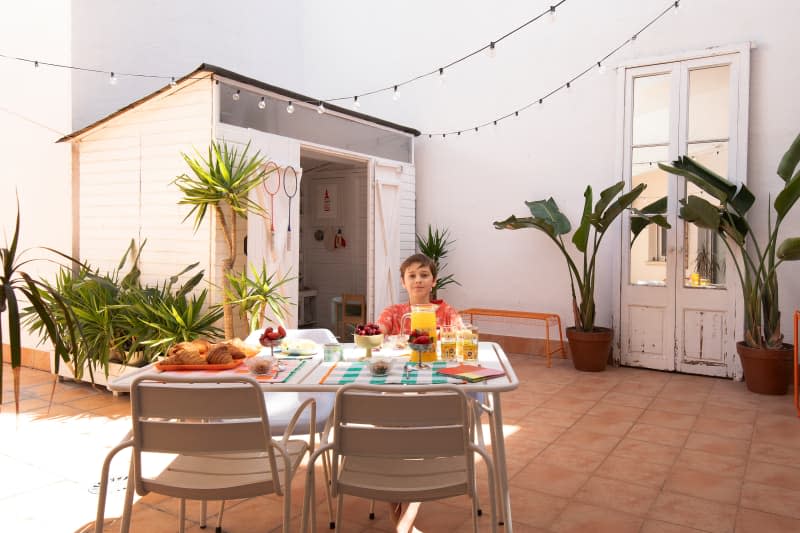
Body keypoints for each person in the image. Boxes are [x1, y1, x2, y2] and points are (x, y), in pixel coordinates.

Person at [377, 253, 462, 335]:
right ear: (403, 282)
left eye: (424, 275)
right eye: (412, 276)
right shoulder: (392, 313)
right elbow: (376, 333)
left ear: (434, 281)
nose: (418, 280)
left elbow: (464, 339)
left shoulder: (448, 314)